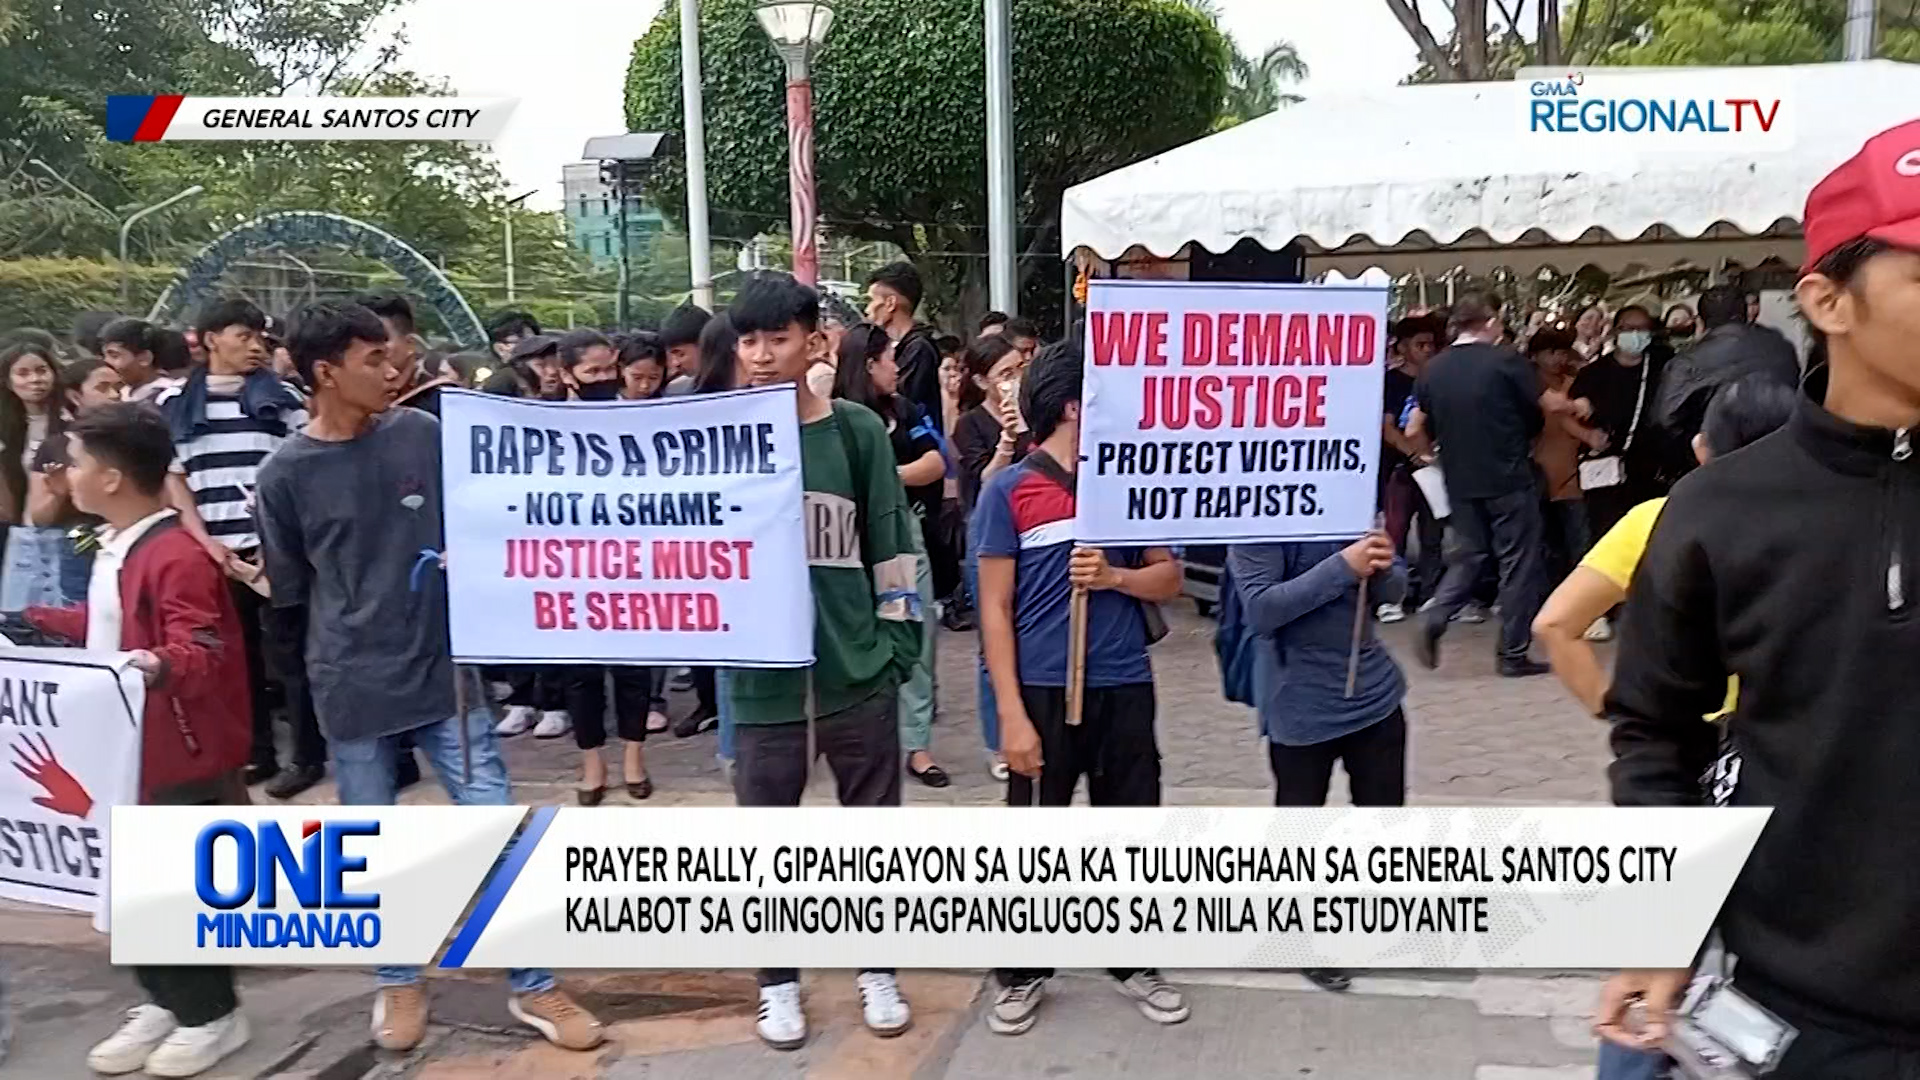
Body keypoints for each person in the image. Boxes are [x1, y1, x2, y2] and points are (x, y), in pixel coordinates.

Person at [1596, 120, 1920, 1076]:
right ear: (1828, 300)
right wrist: (1663, 924)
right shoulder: (1718, 513)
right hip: (1793, 1013)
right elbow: (1655, 733)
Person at [257, 300, 604, 1052]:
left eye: (394, 357)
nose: (394, 371)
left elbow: (491, 516)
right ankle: (397, 979)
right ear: (325, 373)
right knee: (367, 840)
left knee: (499, 827)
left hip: (448, 678)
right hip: (350, 682)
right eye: (373, 361)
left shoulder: (423, 435)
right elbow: (289, 595)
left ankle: (535, 982)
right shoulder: (282, 475)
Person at [26, 404, 253, 1078]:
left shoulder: (177, 555)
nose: (65, 473)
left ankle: (213, 1014)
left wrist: (154, 665)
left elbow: (199, 647)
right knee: (129, 889)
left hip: (178, 756)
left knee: (172, 891)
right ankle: (166, 998)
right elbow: (109, 624)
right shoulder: (117, 544)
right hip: (125, 752)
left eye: (75, 461)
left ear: (115, 477)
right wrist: (34, 622)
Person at [725, 274, 922, 1050]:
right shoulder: (716, 437)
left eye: (776, 338)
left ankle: (878, 967)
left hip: (856, 676)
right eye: (748, 340)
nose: (762, 355)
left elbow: (892, 545)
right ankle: (778, 984)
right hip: (762, 688)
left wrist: (898, 649)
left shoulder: (853, 433)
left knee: (871, 838)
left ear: (815, 342)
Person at [973, 341, 1189, 1037]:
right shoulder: (1009, 492)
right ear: (1074, 405)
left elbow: (1170, 579)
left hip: (1125, 683)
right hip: (1039, 688)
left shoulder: (1127, 484)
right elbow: (993, 611)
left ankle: (1132, 960)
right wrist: (1010, 713)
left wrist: (1115, 578)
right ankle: (1023, 969)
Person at [1536, 376, 1795, 719]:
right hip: (1810, 740)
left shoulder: (1655, 520)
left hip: (1693, 737)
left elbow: (1554, 625)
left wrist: (1617, 713)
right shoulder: (1841, 519)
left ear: (1701, 448)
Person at [1227, 520, 1409, 994]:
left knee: (1385, 816)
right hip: (1299, 700)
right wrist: (1343, 565)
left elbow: (1394, 589)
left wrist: (1383, 562)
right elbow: (1263, 610)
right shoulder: (1259, 517)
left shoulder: (1353, 500)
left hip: (1375, 692)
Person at [154, 298, 319, 791]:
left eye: (259, 338)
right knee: (236, 659)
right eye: (242, 336)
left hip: (275, 550)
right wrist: (204, 543)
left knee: (290, 656)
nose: (255, 347)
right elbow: (176, 479)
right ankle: (257, 751)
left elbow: (304, 472)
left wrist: (279, 542)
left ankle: (307, 757)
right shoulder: (175, 405)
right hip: (214, 551)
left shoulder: (284, 399)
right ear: (209, 340)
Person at [1407, 293, 1552, 677]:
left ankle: (1435, 615)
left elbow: (1414, 426)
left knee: (1469, 555)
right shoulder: (1507, 361)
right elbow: (1539, 411)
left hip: (1459, 477)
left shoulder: (1432, 369)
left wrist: (1431, 459)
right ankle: (1512, 653)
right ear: (1489, 322)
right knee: (1518, 564)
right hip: (1508, 475)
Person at [832, 322, 949, 789]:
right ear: (868, 363)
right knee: (852, 641)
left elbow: (936, 462)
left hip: (902, 544)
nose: (897, 368)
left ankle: (917, 746)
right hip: (844, 549)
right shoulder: (833, 414)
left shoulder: (905, 409)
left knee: (914, 638)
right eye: (889, 359)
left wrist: (884, 475)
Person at [951, 334, 1030, 780]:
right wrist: (1006, 438)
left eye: (1020, 369)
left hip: (1032, 529)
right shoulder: (970, 425)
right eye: (1004, 375)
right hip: (987, 534)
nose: (1014, 382)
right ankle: (995, 741)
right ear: (982, 381)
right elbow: (979, 487)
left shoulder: (1038, 413)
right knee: (993, 642)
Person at [1654, 285, 1802, 456]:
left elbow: (1666, 420)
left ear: (1700, 321)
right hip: (1781, 453)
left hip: (1714, 460)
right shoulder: (1781, 346)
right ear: (1747, 314)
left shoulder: (1686, 362)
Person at [24, 359, 123, 604]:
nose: (115, 395)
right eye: (103, 388)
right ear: (75, 396)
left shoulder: (137, 439)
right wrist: (59, 494)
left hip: (130, 541)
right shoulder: (56, 446)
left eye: (118, 387)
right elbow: (40, 518)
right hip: (80, 546)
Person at [1377, 315, 1443, 621]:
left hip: (1434, 468)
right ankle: (1390, 598)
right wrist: (1413, 453)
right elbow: (1387, 427)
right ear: (1403, 346)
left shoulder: (1437, 380)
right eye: (1420, 344)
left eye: (1431, 344)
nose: (1427, 350)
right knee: (1396, 533)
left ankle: (1430, 594)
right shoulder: (1392, 381)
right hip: (1400, 470)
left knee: (1433, 534)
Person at [1529, 328, 1602, 584]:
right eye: (1551, 352)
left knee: (1579, 542)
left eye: (1561, 351)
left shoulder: (1577, 382)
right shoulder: (1529, 386)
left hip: (1574, 475)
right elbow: (1560, 417)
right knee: (1546, 544)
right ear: (1536, 355)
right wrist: (1588, 436)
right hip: (1538, 474)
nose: (1557, 358)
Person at [864, 261, 945, 432]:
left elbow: (903, 399)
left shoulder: (919, 349)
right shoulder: (903, 345)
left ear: (890, 303)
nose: (867, 309)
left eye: (871, 300)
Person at [99, 319, 190, 404]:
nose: (106, 362)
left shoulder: (169, 397)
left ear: (144, 358)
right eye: (104, 356)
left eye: (114, 356)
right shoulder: (121, 393)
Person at [659, 303, 711, 395]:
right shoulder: (676, 390)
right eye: (671, 356)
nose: (675, 363)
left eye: (680, 354)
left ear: (704, 344)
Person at [618, 332, 669, 402]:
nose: (644, 386)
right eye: (637, 378)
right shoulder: (607, 399)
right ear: (622, 369)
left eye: (653, 378)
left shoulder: (669, 398)